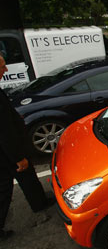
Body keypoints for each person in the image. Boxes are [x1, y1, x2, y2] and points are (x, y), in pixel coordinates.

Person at [0, 54, 51, 241]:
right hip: (8, 153)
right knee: (4, 190)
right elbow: (4, 132)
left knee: (29, 177)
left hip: (11, 150)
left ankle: (39, 202)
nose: (5, 71)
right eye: (2, 67)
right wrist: (17, 157)